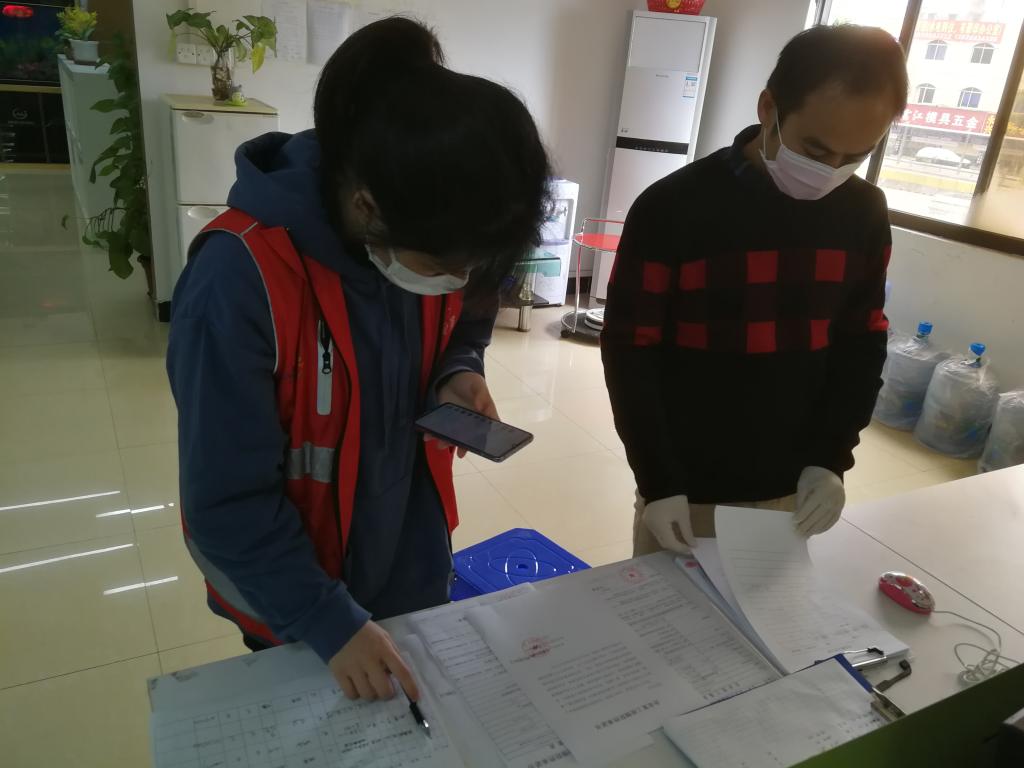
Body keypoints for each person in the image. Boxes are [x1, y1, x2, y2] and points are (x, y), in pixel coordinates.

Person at [167, 17, 550, 702]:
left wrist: (459, 369)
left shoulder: (429, 226)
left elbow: (467, 314)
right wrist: (328, 622)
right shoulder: (239, 281)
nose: (460, 283)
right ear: (366, 206)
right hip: (295, 601)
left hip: (410, 559)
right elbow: (224, 504)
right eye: (447, 267)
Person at [601, 25, 908, 555]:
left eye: (855, 155)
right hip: (687, 485)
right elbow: (631, 348)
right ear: (769, 108)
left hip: (796, 486)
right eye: (815, 150)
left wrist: (830, 459)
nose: (830, 172)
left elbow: (861, 339)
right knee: (670, 609)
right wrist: (658, 480)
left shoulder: (863, 212)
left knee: (771, 608)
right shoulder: (673, 208)